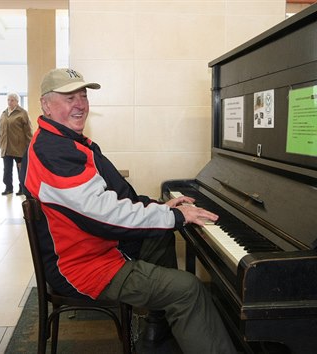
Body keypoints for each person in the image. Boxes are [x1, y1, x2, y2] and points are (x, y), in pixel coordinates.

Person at [20, 68, 237, 354]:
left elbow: (111, 197)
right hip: (84, 267)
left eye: (83, 96)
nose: (80, 104)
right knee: (188, 289)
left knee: (160, 236)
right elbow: (102, 215)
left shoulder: (64, 142)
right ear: (46, 105)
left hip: (93, 249)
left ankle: (157, 334)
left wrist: (158, 208)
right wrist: (174, 216)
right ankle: (175, 318)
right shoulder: (53, 151)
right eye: (69, 97)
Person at [0, 92, 32, 195]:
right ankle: (8, 188)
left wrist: (29, 144)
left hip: (19, 147)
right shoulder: (4, 113)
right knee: (7, 170)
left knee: (20, 169)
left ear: (17, 101)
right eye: (8, 100)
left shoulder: (22, 113)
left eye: (12, 100)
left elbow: (28, 130)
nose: (10, 102)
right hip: (6, 146)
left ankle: (22, 188)